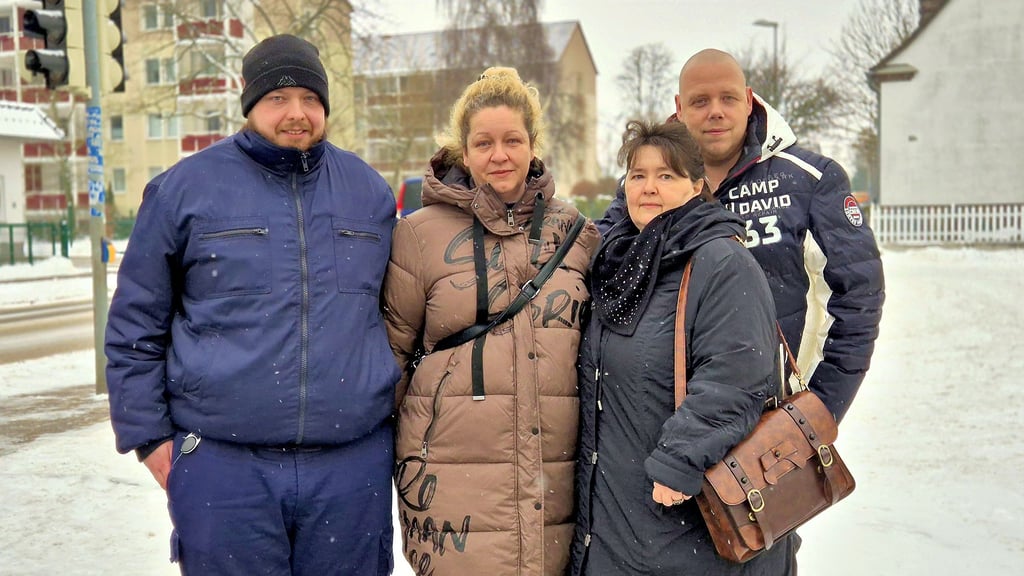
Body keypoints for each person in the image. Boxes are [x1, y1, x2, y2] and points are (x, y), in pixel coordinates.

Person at [105, 34, 399, 576]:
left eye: (310, 99)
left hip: (348, 467)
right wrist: (149, 439)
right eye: (278, 99)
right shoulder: (185, 190)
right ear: (250, 105)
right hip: (225, 467)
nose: (296, 113)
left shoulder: (368, 193)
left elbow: (399, 318)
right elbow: (135, 327)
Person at [382, 66, 599, 575]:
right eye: (484, 142)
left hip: (557, 471)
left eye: (512, 140)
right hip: (453, 478)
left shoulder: (576, 232)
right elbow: (391, 352)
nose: (499, 154)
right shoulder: (418, 236)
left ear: (532, 144)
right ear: (463, 149)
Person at [598, 49, 884, 424]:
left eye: (728, 98)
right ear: (679, 108)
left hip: (771, 429)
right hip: (664, 424)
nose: (715, 111)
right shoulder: (644, 188)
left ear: (749, 101)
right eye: (700, 101)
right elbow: (599, 263)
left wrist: (821, 410)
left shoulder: (810, 180)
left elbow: (859, 297)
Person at [571, 120, 795, 575]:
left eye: (666, 176)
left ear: (698, 185)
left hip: (691, 519)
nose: (648, 187)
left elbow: (737, 376)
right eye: (637, 175)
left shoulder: (722, 262)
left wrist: (680, 459)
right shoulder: (618, 264)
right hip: (618, 522)